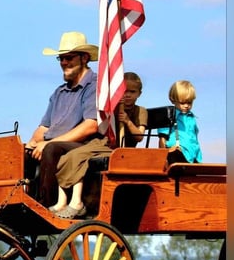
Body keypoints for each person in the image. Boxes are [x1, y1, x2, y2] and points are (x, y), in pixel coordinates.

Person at [50, 72, 148, 218]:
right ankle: (61, 201)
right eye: (124, 91)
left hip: (121, 150)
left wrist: (127, 121)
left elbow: (139, 136)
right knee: (68, 157)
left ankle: (76, 203)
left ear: (139, 93)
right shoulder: (114, 108)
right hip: (104, 144)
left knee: (78, 157)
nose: (127, 95)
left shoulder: (141, 111)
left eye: (132, 92)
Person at [26, 31, 100, 215]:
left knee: (52, 149)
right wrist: (31, 144)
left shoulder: (94, 86)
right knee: (19, 153)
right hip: (54, 144)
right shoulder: (59, 92)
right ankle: (19, 203)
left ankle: (44, 204)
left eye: (69, 58)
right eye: (61, 59)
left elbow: (91, 125)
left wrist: (48, 143)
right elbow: (43, 127)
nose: (64, 63)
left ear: (84, 58)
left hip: (84, 145)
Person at [159, 80, 202, 164]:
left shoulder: (191, 118)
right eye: (182, 103)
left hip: (192, 155)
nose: (186, 106)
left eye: (189, 102)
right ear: (173, 100)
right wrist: (165, 153)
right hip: (176, 153)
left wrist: (197, 153)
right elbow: (162, 138)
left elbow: (194, 138)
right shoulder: (169, 116)